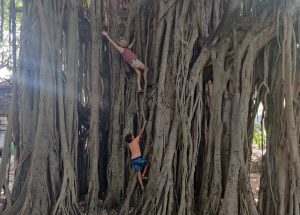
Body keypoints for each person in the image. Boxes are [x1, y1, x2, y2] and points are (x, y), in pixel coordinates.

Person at [125, 120, 149, 190]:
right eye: (132, 136)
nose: (133, 135)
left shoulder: (129, 144)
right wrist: (144, 124)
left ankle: (142, 186)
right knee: (147, 163)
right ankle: (144, 175)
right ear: (132, 138)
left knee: (138, 172)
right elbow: (141, 132)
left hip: (133, 160)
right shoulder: (135, 140)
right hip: (138, 159)